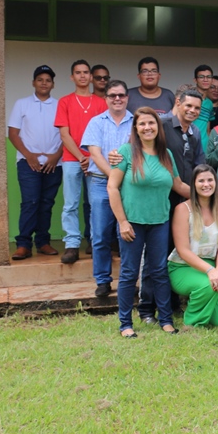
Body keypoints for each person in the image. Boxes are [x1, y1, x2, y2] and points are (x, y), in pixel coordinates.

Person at [107, 107, 185, 338]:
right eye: (142, 124)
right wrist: (122, 221)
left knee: (159, 270)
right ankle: (125, 324)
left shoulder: (166, 155)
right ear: (136, 129)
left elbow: (178, 186)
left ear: (158, 127)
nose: (147, 127)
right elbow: (112, 187)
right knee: (130, 273)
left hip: (159, 222)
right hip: (132, 223)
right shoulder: (126, 152)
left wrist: (207, 196)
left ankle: (166, 320)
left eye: (151, 123)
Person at [138, 87, 203, 322]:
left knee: (179, 253)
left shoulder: (194, 132)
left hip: (186, 204)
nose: (193, 111)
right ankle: (147, 308)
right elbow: (140, 150)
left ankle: (173, 303)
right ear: (178, 102)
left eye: (197, 108)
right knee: (157, 256)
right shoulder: (162, 126)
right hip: (162, 202)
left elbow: (199, 166)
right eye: (189, 106)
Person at [81, 79, 134, 298]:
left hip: (130, 183)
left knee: (127, 233)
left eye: (121, 95)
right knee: (100, 233)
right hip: (100, 182)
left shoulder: (137, 121)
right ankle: (103, 281)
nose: (117, 99)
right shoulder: (96, 122)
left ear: (127, 97)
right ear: (106, 98)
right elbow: (95, 153)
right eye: (112, 95)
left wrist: (121, 177)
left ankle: (128, 280)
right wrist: (114, 176)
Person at [55, 60, 108, 264]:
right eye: (78, 72)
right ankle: (72, 244)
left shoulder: (101, 102)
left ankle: (96, 243)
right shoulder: (65, 101)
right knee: (70, 204)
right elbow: (64, 134)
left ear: (91, 77)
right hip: (71, 159)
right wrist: (81, 157)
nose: (83, 76)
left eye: (86, 72)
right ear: (72, 77)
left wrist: (91, 157)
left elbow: (104, 133)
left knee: (96, 203)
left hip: (96, 160)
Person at [8, 64, 63, 261]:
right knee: (30, 202)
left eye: (48, 80)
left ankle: (43, 242)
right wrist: (28, 155)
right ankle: (23, 244)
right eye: (40, 79)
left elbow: (68, 135)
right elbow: (13, 134)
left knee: (46, 203)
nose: (44, 83)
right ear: (33, 82)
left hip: (54, 163)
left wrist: (57, 156)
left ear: (53, 84)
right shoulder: (22, 104)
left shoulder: (60, 105)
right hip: (27, 162)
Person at [168, 165, 218, 327]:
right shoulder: (183, 209)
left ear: (216, 183)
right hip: (182, 267)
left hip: (211, 266)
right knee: (207, 285)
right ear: (194, 184)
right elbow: (182, 250)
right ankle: (192, 322)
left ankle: (201, 298)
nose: (206, 184)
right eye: (201, 181)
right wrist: (210, 272)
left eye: (210, 180)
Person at [192, 65, 215, 150]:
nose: (205, 80)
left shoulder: (209, 103)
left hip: (204, 147)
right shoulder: (189, 99)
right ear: (195, 80)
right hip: (189, 145)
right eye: (201, 77)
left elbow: (207, 129)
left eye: (208, 77)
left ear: (212, 80)